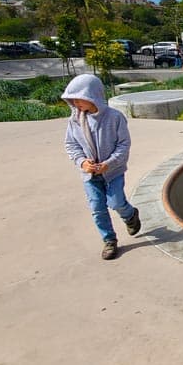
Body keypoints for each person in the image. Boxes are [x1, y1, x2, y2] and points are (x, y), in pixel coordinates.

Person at [62, 74, 140, 260]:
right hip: (90, 174)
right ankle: (109, 240)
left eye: (79, 99)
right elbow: (71, 145)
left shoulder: (115, 118)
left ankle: (130, 215)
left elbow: (123, 145)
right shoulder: (74, 121)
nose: (75, 103)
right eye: (72, 100)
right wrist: (82, 161)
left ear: (92, 96)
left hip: (112, 172)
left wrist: (109, 164)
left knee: (115, 202)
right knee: (97, 207)